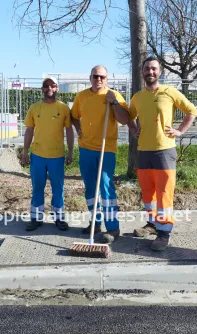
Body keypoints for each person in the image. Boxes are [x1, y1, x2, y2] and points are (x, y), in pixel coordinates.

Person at [127, 57, 197, 251]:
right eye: (147, 69)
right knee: (148, 193)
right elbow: (129, 116)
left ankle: (164, 232)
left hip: (164, 151)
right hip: (143, 151)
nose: (150, 72)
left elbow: (192, 110)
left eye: (154, 69)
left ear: (160, 72)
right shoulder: (138, 97)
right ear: (142, 72)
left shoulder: (170, 92)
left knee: (164, 194)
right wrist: (134, 130)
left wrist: (180, 131)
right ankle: (152, 224)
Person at [71, 65, 130, 244]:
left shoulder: (114, 96)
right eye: (96, 76)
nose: (99, 80)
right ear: (90, 77)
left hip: (106, 149)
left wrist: (113, 102)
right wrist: (78, 127)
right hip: (86, 148)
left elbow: (124, 119)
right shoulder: (81, 96)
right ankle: (95, 222)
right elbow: (73, 116)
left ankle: (113, 227)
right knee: (90, 189)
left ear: (107, 79)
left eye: (102, 77)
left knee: (105, 187)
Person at [21, 77, 74, 231]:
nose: (49, 88)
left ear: (57, 88)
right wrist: (25, 150)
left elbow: (69, 130)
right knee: (37, 187)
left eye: (53, 85)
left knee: (58, 188)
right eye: (46, 86)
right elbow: (29, 130)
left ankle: (59, 218)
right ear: (42, 89)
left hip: (57, 156)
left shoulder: (63, 108)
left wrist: (70, 152)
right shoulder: (35, 108)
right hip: (37, 155)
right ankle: (36, 218)